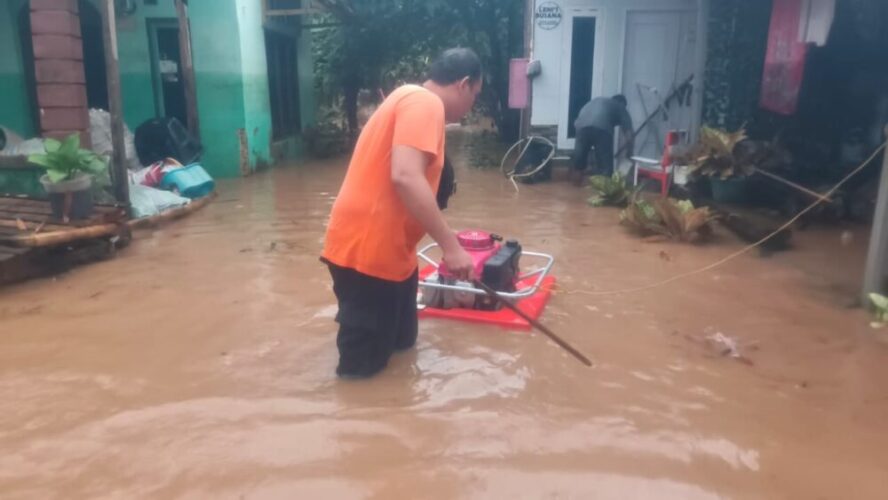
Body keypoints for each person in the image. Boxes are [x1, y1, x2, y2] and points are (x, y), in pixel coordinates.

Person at [320, 48, 483, 379]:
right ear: (464, 84)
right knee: (361, 373)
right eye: (475, 96)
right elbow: (406, 176)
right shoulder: (424, 102)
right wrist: (451, 247)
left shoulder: (415, 103)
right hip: (367, 255)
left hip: (397, 256)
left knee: (403, 349)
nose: (472, 107)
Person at [570, 94, 634, 185]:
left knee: (578, 164)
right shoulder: (620, 106)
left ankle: (574, 190)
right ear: (622, 103)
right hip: (602, 129)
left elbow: (577, 121)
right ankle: (605, 194)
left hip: (581, 128)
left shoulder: (597, 101)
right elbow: (629, 134)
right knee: (605, 168)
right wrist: (630, 152)